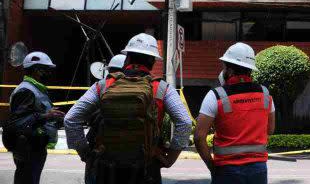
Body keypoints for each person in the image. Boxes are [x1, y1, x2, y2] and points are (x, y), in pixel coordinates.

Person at [64, 33, 192, 184]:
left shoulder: (104, 85)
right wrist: (170, 157)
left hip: (107, 168)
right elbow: (184, 122)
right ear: (152, 62)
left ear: (127, 58)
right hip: (146, 168)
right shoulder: (162, 89)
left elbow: (71, 119)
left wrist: (86, 154)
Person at [194, 42, 275, 184]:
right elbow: (270, 129)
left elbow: (199, 137)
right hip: (258, 170)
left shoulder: (216, 95)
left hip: (226, 171)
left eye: (224, 66)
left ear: (230, 71)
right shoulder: (265, 94)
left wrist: (212, 167)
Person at [3, 52, 65, 184]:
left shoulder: (35, 89)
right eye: (46, 70)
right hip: (28, 148)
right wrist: (47, 116)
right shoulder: (26, 91)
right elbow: (18, 122)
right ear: (37, 70)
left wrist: (53, 118)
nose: (49, 73)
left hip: (34, 146)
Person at [83, 54, 126, 184]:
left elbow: (72, 119)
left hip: (99, 152)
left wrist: (83, 152)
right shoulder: (139, 89)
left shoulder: (99, 87)